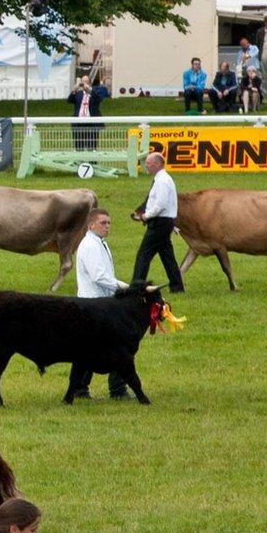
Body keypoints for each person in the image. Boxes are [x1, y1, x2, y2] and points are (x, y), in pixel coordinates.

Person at [67, 207, 134, 398]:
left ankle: (83, 387)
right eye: (103, 223)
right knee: (111, 346)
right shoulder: (90, 245)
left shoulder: (98, 243)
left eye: (109, 223)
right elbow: (99, 276)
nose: (107, 227)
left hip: (100, 303)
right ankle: (116, 389)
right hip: (93, 305)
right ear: (91, 224)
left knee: (95, 349)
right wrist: (125, 288)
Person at [129, 150, 184, 292]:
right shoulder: (162, 179)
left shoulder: (162, 181)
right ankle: (177, 286)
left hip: (159, 223)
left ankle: (136, 287)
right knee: (167, 257)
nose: (146, 165)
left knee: (143, 255)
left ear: (158, 164)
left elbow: (161, 204)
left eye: (148, 163)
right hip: (164, 223)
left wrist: (146, 215)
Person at [65, 76, 105, 151]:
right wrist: (74, 91)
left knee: (92, 147)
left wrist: (89, 91)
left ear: (90, 83)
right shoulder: (78, 94)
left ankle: (92, 162)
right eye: (82, 82)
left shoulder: (95, 92)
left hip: (91, 123)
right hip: (78, 122)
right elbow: (69, 100)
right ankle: (80, 161)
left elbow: (99, 99)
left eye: (86, 82)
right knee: (79, 146)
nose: (84, 84)